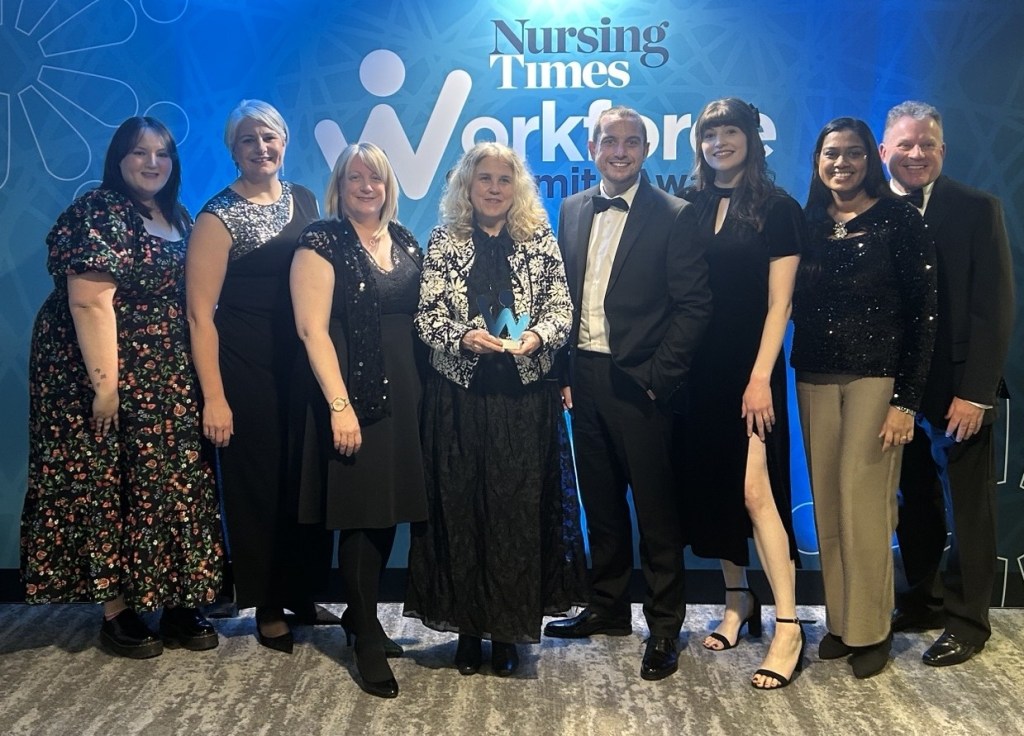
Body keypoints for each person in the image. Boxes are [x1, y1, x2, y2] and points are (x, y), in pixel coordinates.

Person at [21, 117, 223, 658]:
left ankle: (178, 597)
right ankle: (117, 611)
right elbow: (89, 302)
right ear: (118, 159)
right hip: (98, 370)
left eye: (163, 153)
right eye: (139, 152)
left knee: (172, 482)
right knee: (106, 482)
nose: (152, 163)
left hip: (166, 374)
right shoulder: (99, 212)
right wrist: (105, 389)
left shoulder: (177, 215)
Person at [404, 141, 587, 678]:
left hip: (523, 401)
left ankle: (507, 631)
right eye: (484, 178)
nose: (493, 188)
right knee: (462, 512)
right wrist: (462, 338)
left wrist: (537, 337)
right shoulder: (443, 240)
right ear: (467, 184)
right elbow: (426, 316)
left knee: (515, 516)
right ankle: (467, 630)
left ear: (517, 187)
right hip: (459, 400)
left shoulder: (539, 238)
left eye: (504, 179)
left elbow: (562, 310)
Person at [543, 106, 711, 681]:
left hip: (641, 383)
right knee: (602, 503)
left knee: (656, 512)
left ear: (646, 149)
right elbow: (563, 298)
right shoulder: (571, 208)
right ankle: (608, 607)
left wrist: (658, 378)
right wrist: (562, 372)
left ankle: (664, 626)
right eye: (609, 141)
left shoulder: (674, 214)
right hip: (583, 376)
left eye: (631, 142)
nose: (620, 151)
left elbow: (694, 306)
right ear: (592, 148)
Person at [791, 117, 937, 679]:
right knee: (828, 504)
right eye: (831, 153)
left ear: (869, 159)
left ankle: (872, 629)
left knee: (865, 506)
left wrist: (906, 402)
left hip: (876, 380)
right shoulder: (806, 222)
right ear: (817, 161)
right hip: (813, 375)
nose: (841, 163)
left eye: (852, 153)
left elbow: (924, 315)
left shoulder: (900, 219)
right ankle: (842, 622)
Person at [186, 100, 325, 653]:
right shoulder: (216, 216)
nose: (260, 148)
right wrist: (214, 397)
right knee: (259, 487)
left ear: (284, 142)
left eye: (269, 137)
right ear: (233, 150)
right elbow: (200, 316)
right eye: (248, 140)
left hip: (302, 365)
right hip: (245, 369)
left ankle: (300, 593)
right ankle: (267, 605)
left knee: (302, 481)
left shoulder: (306, 199)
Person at [290, 143, 428, 698]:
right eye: (355, 177)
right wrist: (339, 405)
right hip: (353, 396)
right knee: (360, 514)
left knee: (387, 509)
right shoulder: (321, 241)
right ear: (340, 186)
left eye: (376, 177)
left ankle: (358, 616)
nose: (367, 186)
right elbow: (312, 331)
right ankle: (366, 635)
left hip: (407, 394)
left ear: (388, 186)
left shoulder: (406, 240)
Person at [880, 101, 1015, 667]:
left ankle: (968, 621)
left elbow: (994, 307)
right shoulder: (865, 207)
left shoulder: (977, 208)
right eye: (905, 145)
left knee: (969, 507)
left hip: (959, 387)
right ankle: (921, 601)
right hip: (889, 390)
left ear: (943, 150)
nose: (916, 154)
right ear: (884, 151)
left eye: (927, 145)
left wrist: (976, 392)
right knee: (913, 502)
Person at [676, 98, 806, 689]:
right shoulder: (692, 203)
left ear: (752, 138)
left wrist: (759, 377)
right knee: (721, 490)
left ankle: (789, 625)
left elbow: (780, 305)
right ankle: (738, 601)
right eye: (710, 134)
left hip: (752, 371)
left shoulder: (778, 209)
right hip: (699, 371)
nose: (719, 142)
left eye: (730, 132)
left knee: (757, 492)